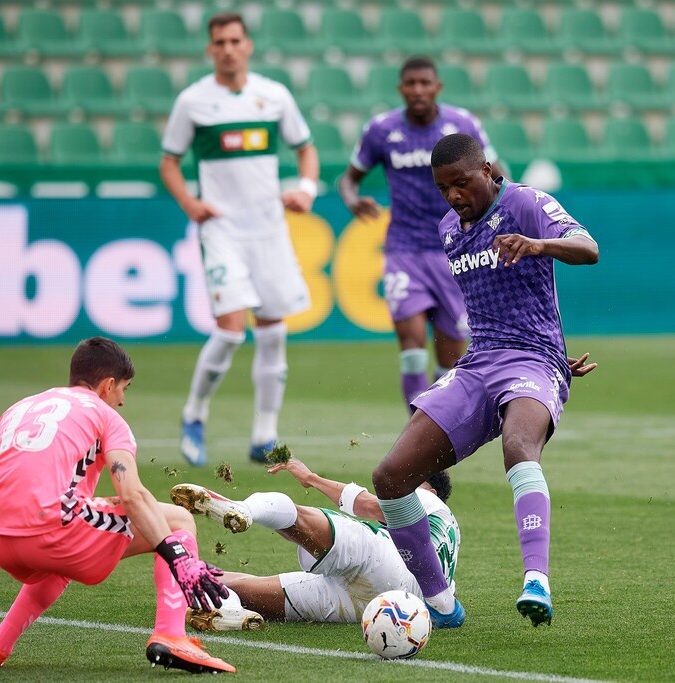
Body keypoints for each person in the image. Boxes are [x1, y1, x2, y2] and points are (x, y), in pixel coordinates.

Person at [0, 337, 235, 674]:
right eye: (124, 389)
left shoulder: (17, 411)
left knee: (61, 541)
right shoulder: (107, 415)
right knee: (178, 520)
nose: (123, 400)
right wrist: (178, 558)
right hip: (55, 531)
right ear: (108, 385)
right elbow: (134, 495)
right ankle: (171, 635)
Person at [370, 133, 600, 629]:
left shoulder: (524, 202)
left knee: (519, 446)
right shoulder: (449, 229)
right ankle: (440, 605)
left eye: (461, 183)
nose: (453, 195)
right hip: (479, 366)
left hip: (534, 362)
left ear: (488, 171)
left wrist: (539, 244)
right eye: (442, 188)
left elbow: (588, 248)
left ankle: (536, 580)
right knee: (390, 478)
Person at [160, 12, 320, 466]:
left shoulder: (273, 96)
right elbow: (168, 162)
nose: (228, 48)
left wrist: (306, 189)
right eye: (220, 42)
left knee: (273, 334)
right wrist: (192, 205)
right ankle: (194, 414)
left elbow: (305, 148)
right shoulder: (193, 102)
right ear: (210, 50)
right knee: (230, 332)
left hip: (269, 230)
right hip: (223, 230)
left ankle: (263, 436)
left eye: (235, 40)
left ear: (247, 45)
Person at [339, 56, 507, 412]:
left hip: (458, 251)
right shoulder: (381, 130)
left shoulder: (462, 124)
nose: (417, 90)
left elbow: (496, 176)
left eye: (424, 83)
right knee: (412, 346)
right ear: (401, 89)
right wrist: (352, 200)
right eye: (410, 84)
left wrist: (503, 219)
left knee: (451, 358)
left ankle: (438, 427)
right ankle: (417, 432)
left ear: (437, 87)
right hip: (405, 249)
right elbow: (349, 179)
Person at [167, 456, 459, 625]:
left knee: (298, 517)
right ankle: (199, 587)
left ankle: (244, 509)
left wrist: (312, 478)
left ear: (430, 492)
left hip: (386, 560)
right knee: (242, 588)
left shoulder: (425, 500)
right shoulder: (450, 533)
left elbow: (369, 506)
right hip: (388, 606)